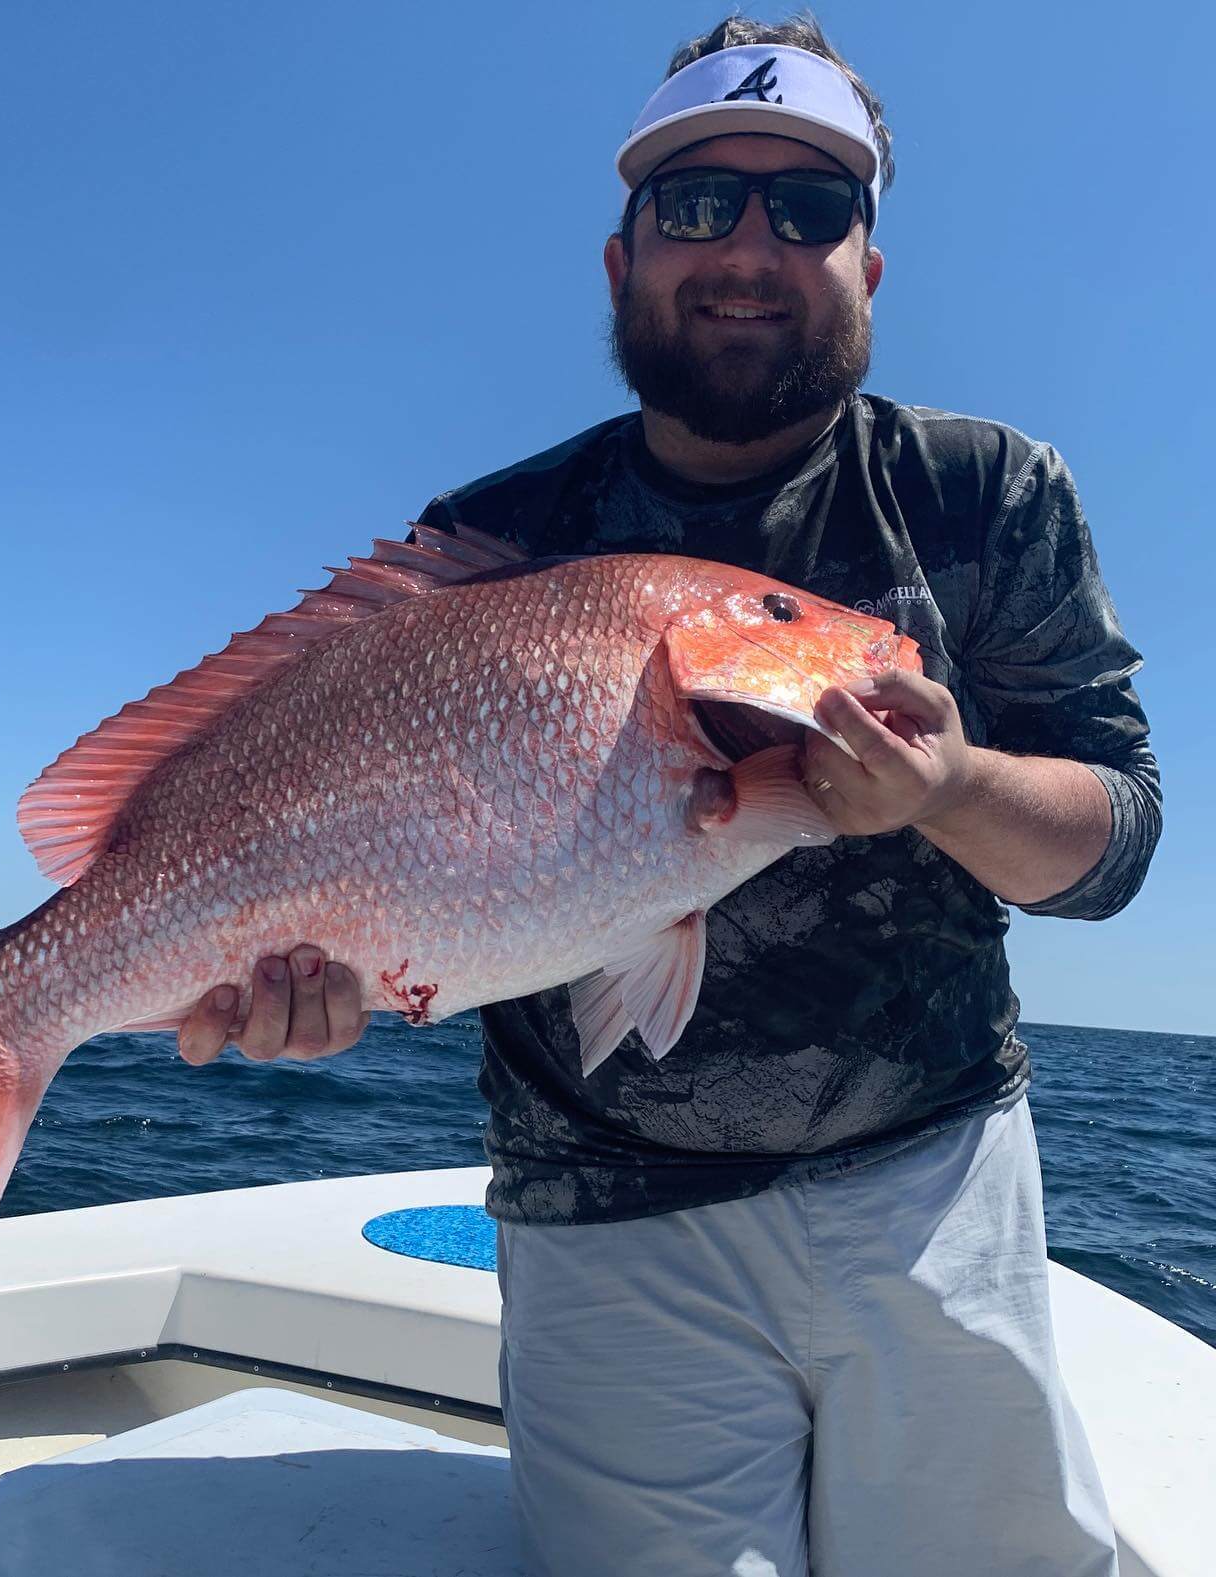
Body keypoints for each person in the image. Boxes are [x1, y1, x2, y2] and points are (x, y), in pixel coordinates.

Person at [178, 14, 1160, 1575]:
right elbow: (422, 880)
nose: (750, 247)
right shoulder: (494, 536)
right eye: (698, 203)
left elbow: (1118, 839)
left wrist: (954, 780)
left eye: (812, 207)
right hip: (601, 1220)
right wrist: (317, 978)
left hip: (939, 1180)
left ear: (871, 267)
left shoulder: (988, 493)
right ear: (622, 258)